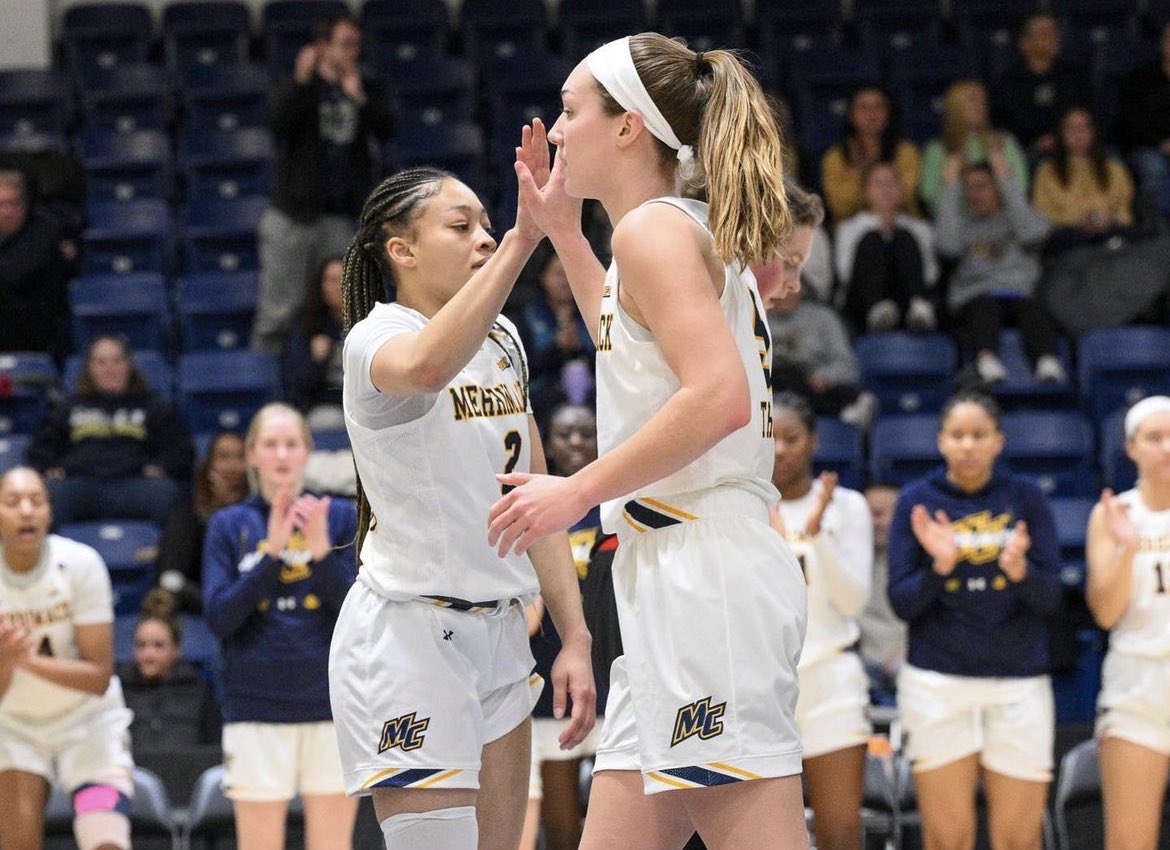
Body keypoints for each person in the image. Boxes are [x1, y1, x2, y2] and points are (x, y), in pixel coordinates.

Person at [487, 33, 809, 850]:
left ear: (628, 126)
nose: (555, 131)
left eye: (569, 110)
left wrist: (576, 488)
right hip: (669, 574)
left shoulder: (655, 234)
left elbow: (718, 398)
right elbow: (629, 341)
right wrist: (563, 231)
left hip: (703, 576)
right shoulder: (670, 229)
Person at [328, 165, 595, 850]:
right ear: (402, 250)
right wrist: (520, 243)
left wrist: (575, 635)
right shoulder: (375, 338)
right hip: (410, 634)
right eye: (461, 225)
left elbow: (534, 492)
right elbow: (425, 368)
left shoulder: (503, 337)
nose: (483, 236)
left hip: (501, 633)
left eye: (486, 223)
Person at [887, 391, 1062, 850]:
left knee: (1019, 841)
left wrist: (1020, 572)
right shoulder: (916, 500)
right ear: (941, 441)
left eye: (978, 435)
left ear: (998, 442)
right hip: (937, 684)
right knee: (947, 840)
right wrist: (939, 568)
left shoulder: (1026, 498)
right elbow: (901, 604)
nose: (968, 445)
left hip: (1019, 682)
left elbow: (1050, 599)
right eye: (957, 435)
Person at [202, 402, 358, 850]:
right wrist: (270, 555)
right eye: (270, 445)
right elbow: (219, 618)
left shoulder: (341, 517)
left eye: (292, 444)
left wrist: (322, 556)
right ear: (252, 455)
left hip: (329, 707)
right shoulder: (229, 525)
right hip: (255, 710)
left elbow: (358, 616)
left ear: (308, 453)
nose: (282, 455)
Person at [0, 466, 135, 850]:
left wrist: (23, 659)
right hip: (16, 727)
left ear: (49, 511)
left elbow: (98, 677)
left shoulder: (81, 564)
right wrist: (5, 662)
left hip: (89, 724)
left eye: (36, 501)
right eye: (13, 502)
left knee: (105, 839)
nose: (26, 510)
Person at [250, 11, 394, 357]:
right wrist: (301, 82)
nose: (352, 53)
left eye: (356, 46)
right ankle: (268, 391)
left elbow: (388, 129)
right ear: (322, 47)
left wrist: (359, 99)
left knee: (348, 304)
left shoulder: (364, 86)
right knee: (280, 309)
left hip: (340, 215)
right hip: (294, 215)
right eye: (344, 45)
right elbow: (277, 124)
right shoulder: (302, 86)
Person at [769, 392, 872, 850]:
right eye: (770, 437)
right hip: (764, 683)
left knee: (840, 829)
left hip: (832, 679)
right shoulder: (742, 511)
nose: (779, 450)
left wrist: (816, 535)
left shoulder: (848, 506)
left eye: (791, 438)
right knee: (770, 834)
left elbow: (853, 601)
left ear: (813, 441)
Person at [520, 403, 606, 850]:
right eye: (564, 434)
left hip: (613, 673)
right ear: (547, 444)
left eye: (585, 433)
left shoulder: (616, 506)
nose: (576, 442)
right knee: (560, 822)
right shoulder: (532, 511)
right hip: (551, 679)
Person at [1086, 396, 1170, 850]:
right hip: (1137, 687)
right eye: (1155, 438)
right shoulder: (1112, 514)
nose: (1167, 448)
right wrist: (1127, 549)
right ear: (1131, 447)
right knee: (1130, 841)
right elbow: (1104, 612)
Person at [25, 333, 194, 526]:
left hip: (136, 484)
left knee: (170, 495)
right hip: (79, 484)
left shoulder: (153, 406)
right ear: (90, 368)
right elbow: (39, 449)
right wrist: (48, 467)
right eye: (101, 362)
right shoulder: (68, 407)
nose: (109, 369)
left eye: (117, 361)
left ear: (128, 365)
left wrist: (162, 466)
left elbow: (181, 450)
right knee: (43, 498)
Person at [935, 150, 1066, 385]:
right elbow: (947, 248)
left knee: (1033, 307)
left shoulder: (1020, 220)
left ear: (998, 188)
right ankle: (986, 362)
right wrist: (950, 186)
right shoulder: (962, 226)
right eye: (969, 187)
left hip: (1019, 294)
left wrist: (1007, 180)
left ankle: (1047, 361)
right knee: (983, 306)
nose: (974, 194)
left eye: (982, 186)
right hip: (977, 297)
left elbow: (1035, 233)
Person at [834, 161, 938, 334]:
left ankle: (918, 309)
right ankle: (878, 308)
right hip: (863, 305)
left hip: (908, 301)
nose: (886, 190)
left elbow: (930, 275)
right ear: (866, 191)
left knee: (903, 236)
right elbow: (846, 273)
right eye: (878, 184)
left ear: (902, 190)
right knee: (871, 239)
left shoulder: (919, 228)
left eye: (892, 183)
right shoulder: (850, 228)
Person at [116, 590, 221, 755]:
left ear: (176, 649)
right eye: (141, 645)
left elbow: (214, 749)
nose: (148, 654)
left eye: (158, 646)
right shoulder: (119, 691)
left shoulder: (199, 692)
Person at [155, 430, 248, 614]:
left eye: (240, 457)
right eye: (224, 457)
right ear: (209, 465)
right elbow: (170, 577)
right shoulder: (187, 512)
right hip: (196, 607)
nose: (233, 465)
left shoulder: (258, 512)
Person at [1032, 106, 1136, 254]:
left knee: (1126, 237)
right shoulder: (1046, 171)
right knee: (1071, 240)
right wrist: (1082, 223)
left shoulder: (1115, 169)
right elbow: (1042, 215)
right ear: (1060, 134)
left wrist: (1106, 221)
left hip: (1108, 230)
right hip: (1069, 235)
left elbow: (1124, 214)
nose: (1078, 134)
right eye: (1071, 128)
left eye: (1084, 127)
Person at [920, 80, 1029, 216]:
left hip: (1003, 222)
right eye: (972, 100)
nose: (980, 106)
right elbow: (930, 196)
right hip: (957, 226)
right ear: (955, 106)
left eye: (983, 101)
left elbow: (1020, 186)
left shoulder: (1003, 141)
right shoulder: (937, 149)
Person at [517, 243, 597, 430]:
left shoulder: (592, 314)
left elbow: (608, 362)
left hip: (589, 396)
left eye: (570, 274)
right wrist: (557, 348)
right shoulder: (529, 316)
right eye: (559, 274)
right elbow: (523, 370)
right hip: (544, 396)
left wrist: (579, 347)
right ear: (543, 277)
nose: (566, 281)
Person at [0, 169, 75, 363]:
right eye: (1, 204)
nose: (7, 211)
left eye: (13, 203)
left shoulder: (46, 233)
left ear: (25, 205)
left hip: (36, 338)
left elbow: (15, 274)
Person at [820, 86, 921, 223]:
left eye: (879, 107)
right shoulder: (835, 158)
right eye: (864, 107)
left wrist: (863, 187)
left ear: (889, 113)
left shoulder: (906, 152)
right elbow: (839, 206)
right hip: (852, 231)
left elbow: (905, 195)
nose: (872, 113)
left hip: (901, 225)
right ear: (851, 115)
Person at [990, 13, 1079, 158]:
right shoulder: (1008, 83)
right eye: (1045, 33)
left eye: (1055, 31)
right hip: (1025, 152)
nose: (1054, 37)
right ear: (1024, 44)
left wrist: (1062, 138)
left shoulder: (1072, 76)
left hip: (1070, 147)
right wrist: (1036, 143)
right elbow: (1003, 127)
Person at [857, 483, 906, 707]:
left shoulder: (919, 561)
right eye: (866, 515)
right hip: (859, 662)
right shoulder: (846, 559)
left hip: (905, 659)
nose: (873, 523)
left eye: (879, 514)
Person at [284, 256, 346, 432]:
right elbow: (295, 387)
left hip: (370, 405)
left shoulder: (374, 321)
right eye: (332, 280)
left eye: (344, 279)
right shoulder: (306, 327)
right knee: (326, 421)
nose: (339, 286)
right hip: (328, 405)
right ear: (321, 287)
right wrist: (316, 361)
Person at [1117, 21, 1170, 218]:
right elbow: (1129, 124)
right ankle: (1156, 228)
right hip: (1148, 146)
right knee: (1154, 168)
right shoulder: (1140, 77)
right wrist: (1161, 143)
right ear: (1162, 43)